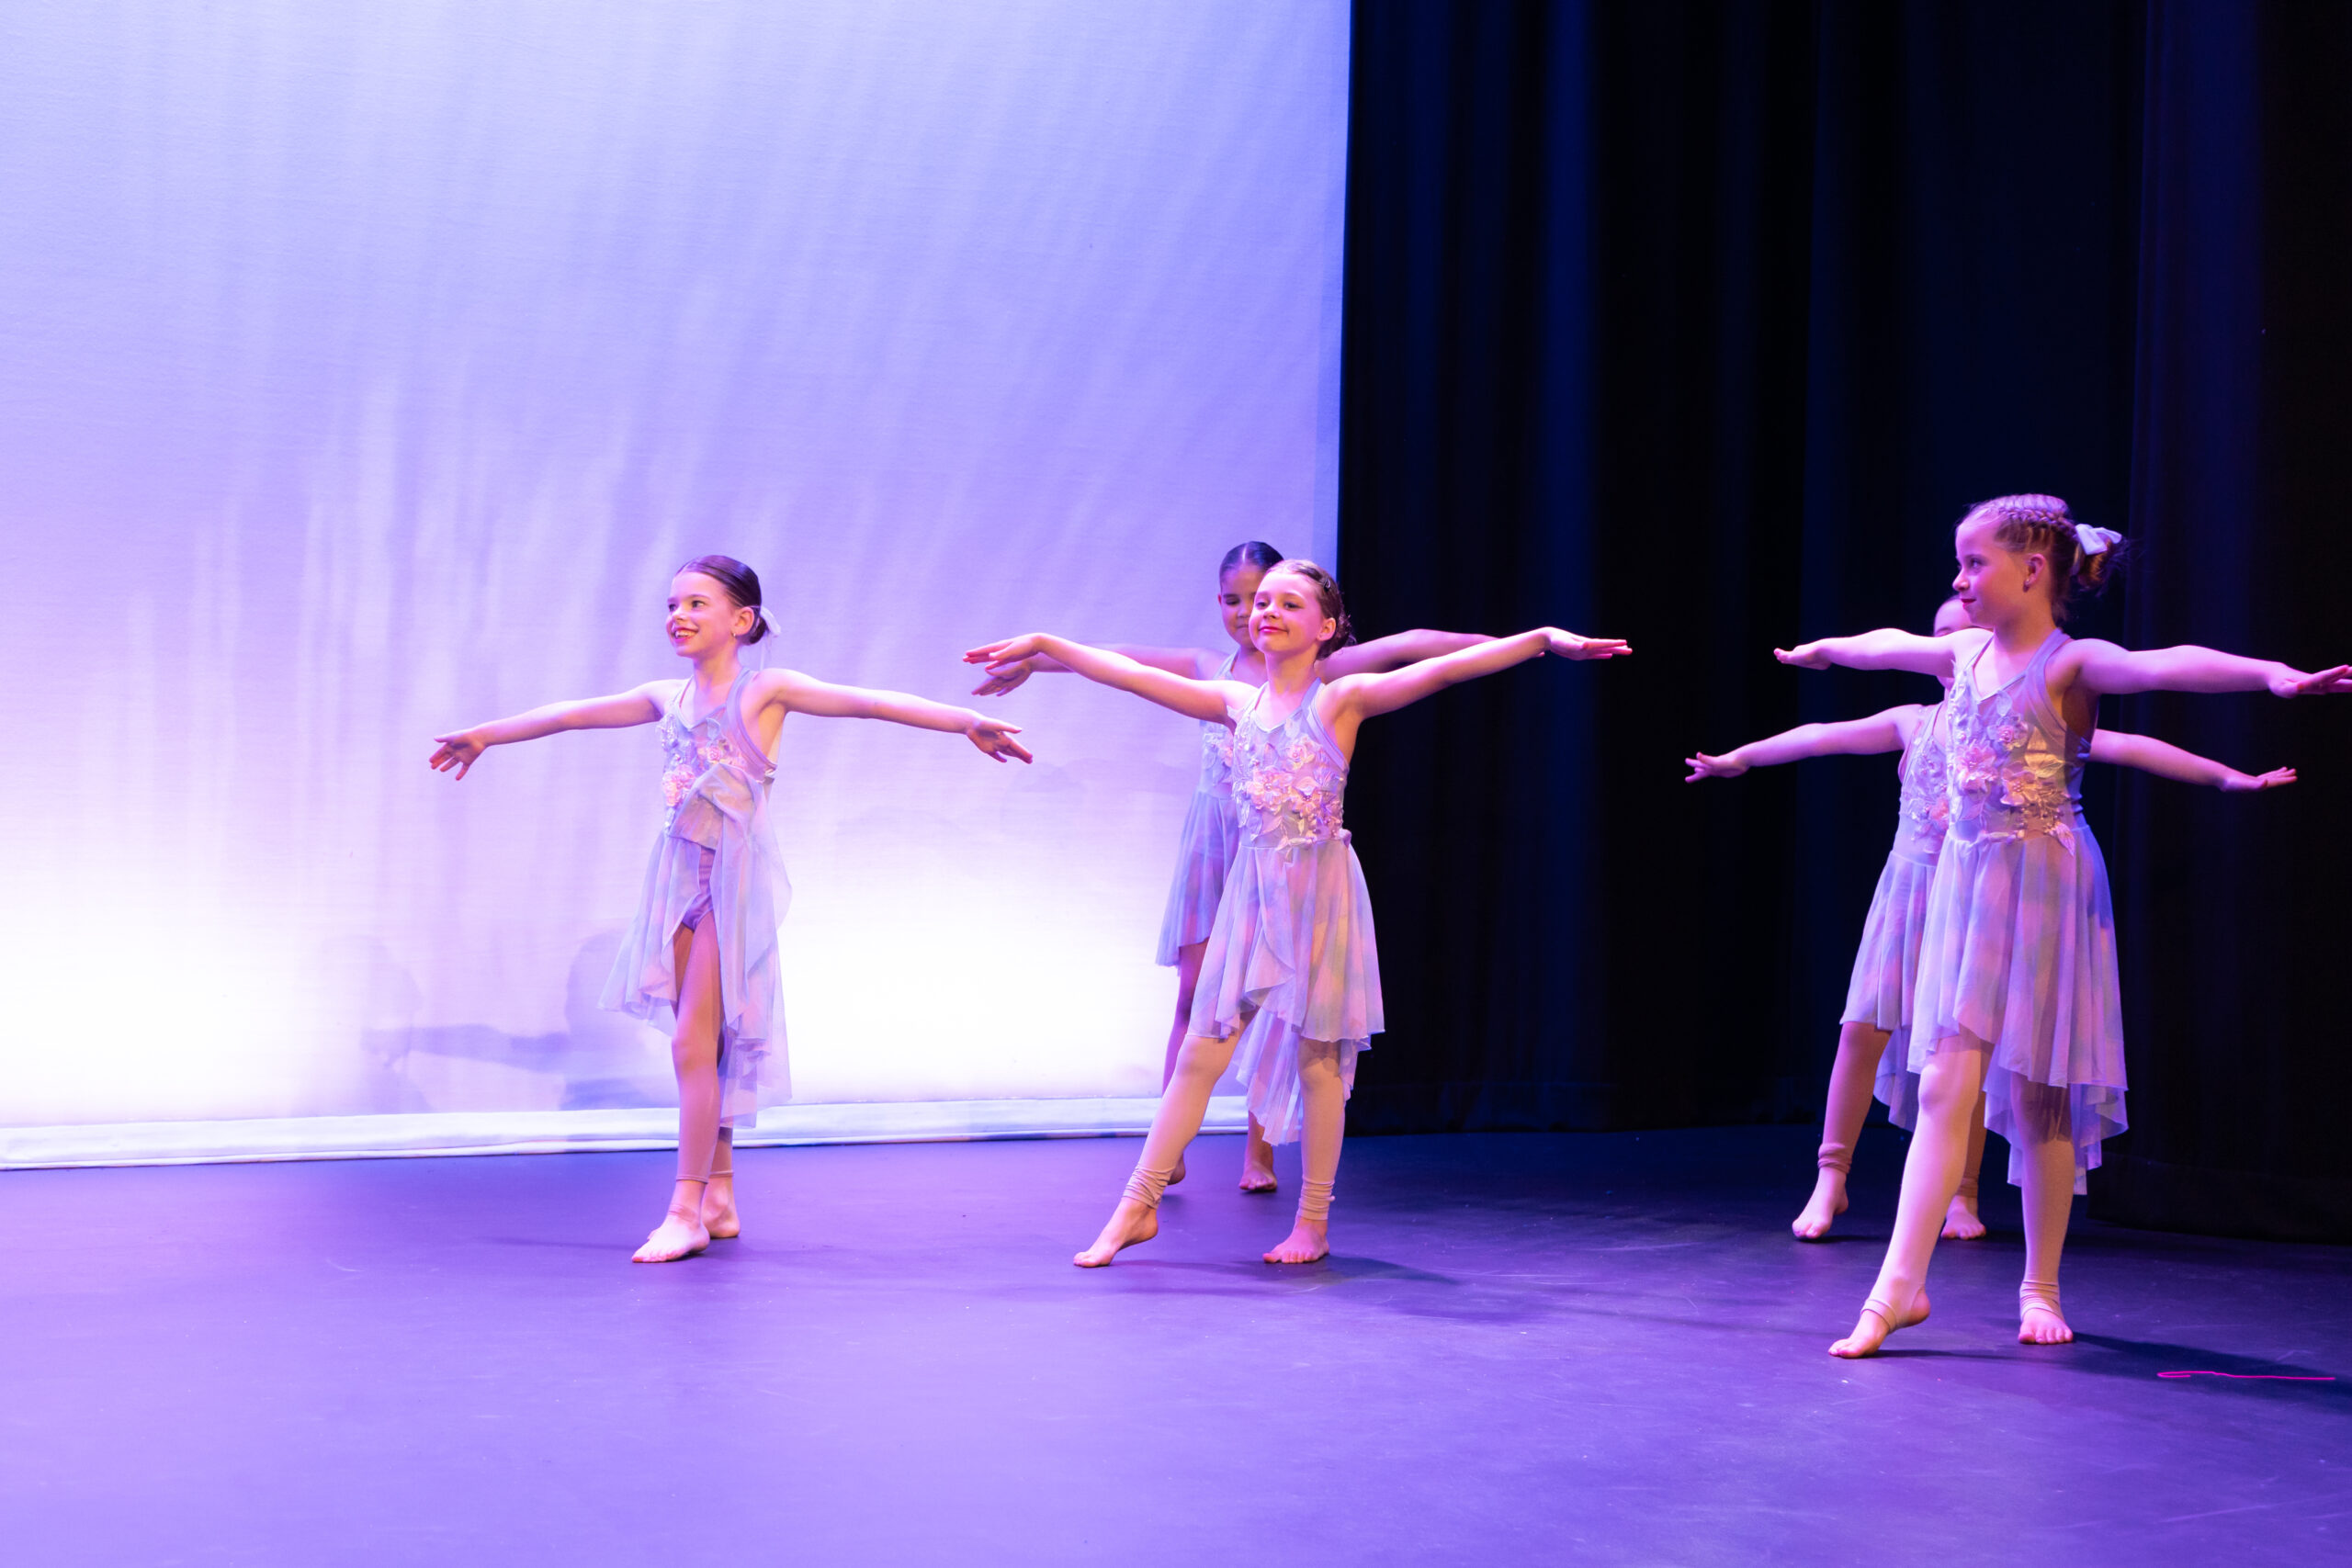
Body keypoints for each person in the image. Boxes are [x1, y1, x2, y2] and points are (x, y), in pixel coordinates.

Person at [1771, 497, 2346, 1355]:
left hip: (2045, 887)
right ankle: (1897, 1289)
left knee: (2042, 1094)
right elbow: (1885, 644)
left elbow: (2168, 666)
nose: (1961, 581)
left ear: (2033, 570)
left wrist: (2272, 674)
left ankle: (2039, 1284)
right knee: (1942, 1086)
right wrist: (1824, 650)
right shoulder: (1962, 653)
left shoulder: (2070, 663)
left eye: (1975, 564)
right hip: (1969, 886)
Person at [968, 561, 1628, 1266]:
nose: (1268, 612)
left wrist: (1542, 638)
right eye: (1262, 602)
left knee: (1318, 1062)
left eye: (1289, 603)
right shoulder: (1233, 703)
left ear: (1326, 627)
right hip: (1253, 899)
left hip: (1321, 901)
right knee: (1199, 1052)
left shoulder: (1342, 699)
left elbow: (1442, 668)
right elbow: (1127, 674)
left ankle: (1312, 1223)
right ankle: (1138, 1205)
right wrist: (1047, 642)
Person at [430, 555, 1031, 1262]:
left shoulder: (765, 691)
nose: (678, 616)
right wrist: (487, 733)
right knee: (706, 1045)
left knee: (690, 1043)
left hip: (732, 885)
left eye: (696, 603)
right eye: (672, 604)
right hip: (676, 882)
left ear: (742, 620)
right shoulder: (665, 697)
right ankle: (718, 1195)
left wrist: (965, 721)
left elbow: (869, 701)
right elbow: (569, 716)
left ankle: (683, 1210)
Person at [1688, 596, 2296, 1242]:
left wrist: (2226, 777)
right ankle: (1830, 1176)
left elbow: (2135, 741)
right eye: (1944, 636)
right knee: (1862, 1028)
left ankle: (1963, 1193)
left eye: (1971, 632)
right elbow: (1822, 733)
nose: (1958, 644)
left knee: (1965, 1046)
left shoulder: (2026, 715)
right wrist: (1743, 754)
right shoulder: (1914, 722)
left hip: (1982, 899)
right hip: (1912, 893)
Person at [974, 540, 1497, 1193]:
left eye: (1265, 598)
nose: (1249, 612)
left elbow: (1414, 646)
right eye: (1235, 600)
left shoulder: (1327, 670)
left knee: (1278, 1000)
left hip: (1283, 849)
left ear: (1318, 620)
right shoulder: (1211, 670)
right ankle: (1170, 1144)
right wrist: (1034, 659)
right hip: (1214, 840)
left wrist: (1521, 644)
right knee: (1196, 995)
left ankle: (1260, 1152)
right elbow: (1121, 662)